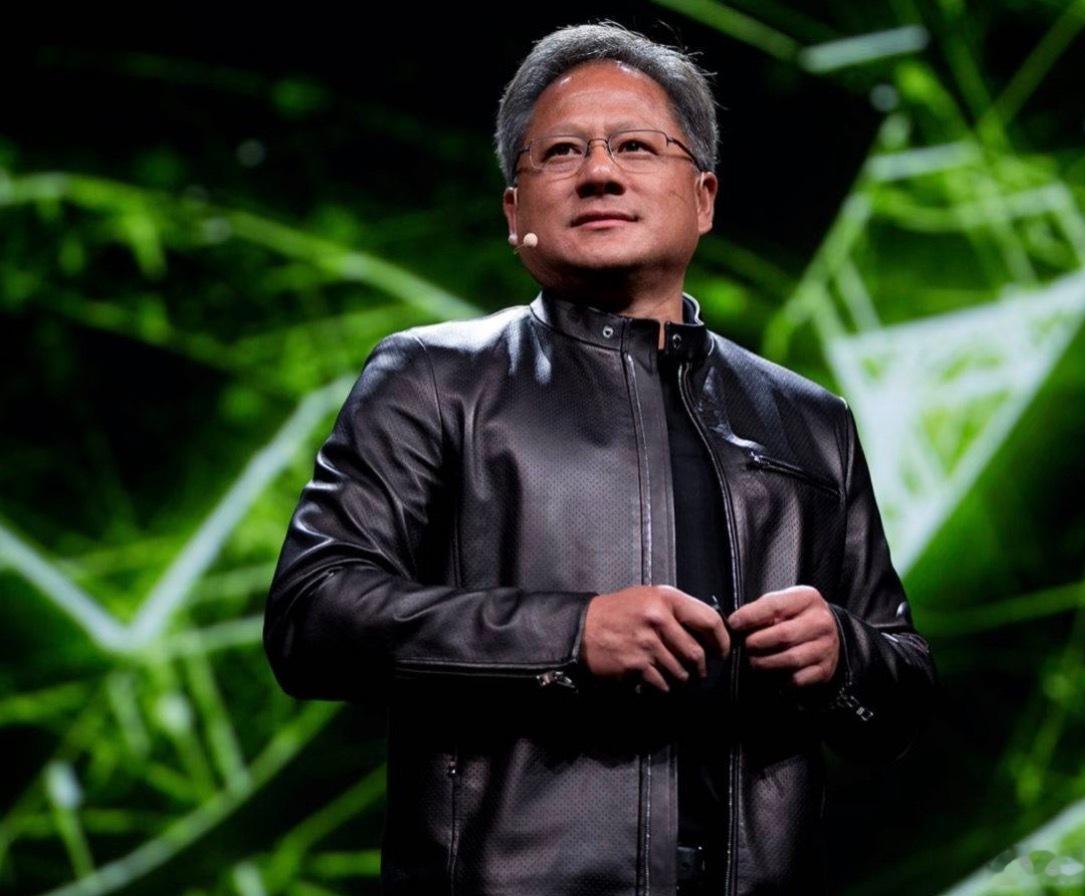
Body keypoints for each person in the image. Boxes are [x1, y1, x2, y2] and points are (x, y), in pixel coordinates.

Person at [262, 20, 938, 896]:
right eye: (561, 152)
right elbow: (312, 618)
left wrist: (843, 654)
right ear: (515, 213)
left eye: (636, 146)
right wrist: (570, 636)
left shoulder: (810, 421)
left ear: (703, 198)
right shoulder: (433, 377)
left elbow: (903, 696)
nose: (600, 173)